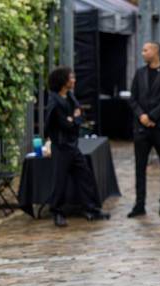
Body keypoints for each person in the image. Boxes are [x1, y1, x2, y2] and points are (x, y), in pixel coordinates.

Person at [44, 66, 110, 227]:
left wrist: (73, 119)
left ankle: (91, 208)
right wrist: (73, 120)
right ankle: (57, 212)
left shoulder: (70, 97)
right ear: (62, 81)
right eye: (70, 78)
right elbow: (63, 125)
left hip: (72, 145)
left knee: (85, 176)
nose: (74, 80)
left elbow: (80, 117)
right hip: (61, 146)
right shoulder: (55, 101)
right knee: (60, 181)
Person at [128, 41, 160, 218]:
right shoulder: (139, 73)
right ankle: (139, 204)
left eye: (145, 50)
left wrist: (152, 117)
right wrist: (142, 116)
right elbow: (133, 98)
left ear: (155, 51)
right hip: (141, 127)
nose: (143, 53)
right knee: (140, 166)